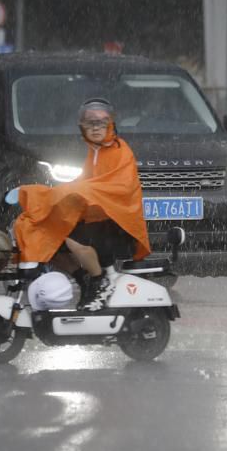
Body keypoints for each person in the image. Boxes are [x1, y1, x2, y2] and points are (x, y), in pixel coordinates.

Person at [13, 98, 150, 310]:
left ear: (111, 124)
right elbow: (86, 185)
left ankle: (100, 281)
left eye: (102, 122)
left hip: (117, 223)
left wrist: (73, 191)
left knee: (74, 239)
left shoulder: (121, 152)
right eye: (90, 122)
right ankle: (84, 280)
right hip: (96, 219)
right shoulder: (94, 152)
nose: (96, 127)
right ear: (82, 127)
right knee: (50, 240)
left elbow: (118, 189)